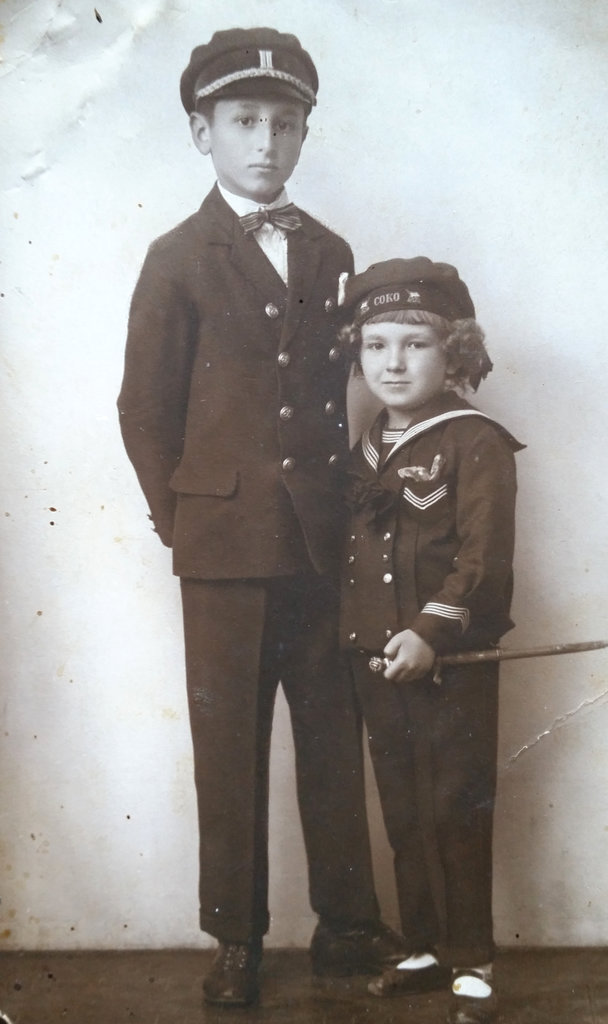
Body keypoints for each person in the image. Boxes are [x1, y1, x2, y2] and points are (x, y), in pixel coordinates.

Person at [117, 27, 406, 1009]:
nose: (266, 142)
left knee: (332, 733)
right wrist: (183, 521)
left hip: (321, 548)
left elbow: (343, 390)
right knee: (228, 749)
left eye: (286, 124)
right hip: (224, 552)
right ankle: (235, 937)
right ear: (201, 130)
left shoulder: (327, 250)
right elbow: (143, 408)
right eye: (244, 121)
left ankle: (345, 927)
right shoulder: (175, 258)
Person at [338, 257, 525, 1024]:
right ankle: (420, 943)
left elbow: (484, 562)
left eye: (414, 344)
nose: (392, 362)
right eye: (376, 344)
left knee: (455, 803)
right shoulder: (364, 448)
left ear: (457, 353)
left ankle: (470, 955)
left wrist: (427, 634)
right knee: (403, 804)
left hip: (450, 663)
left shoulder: (475, 442)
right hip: (377, 663)